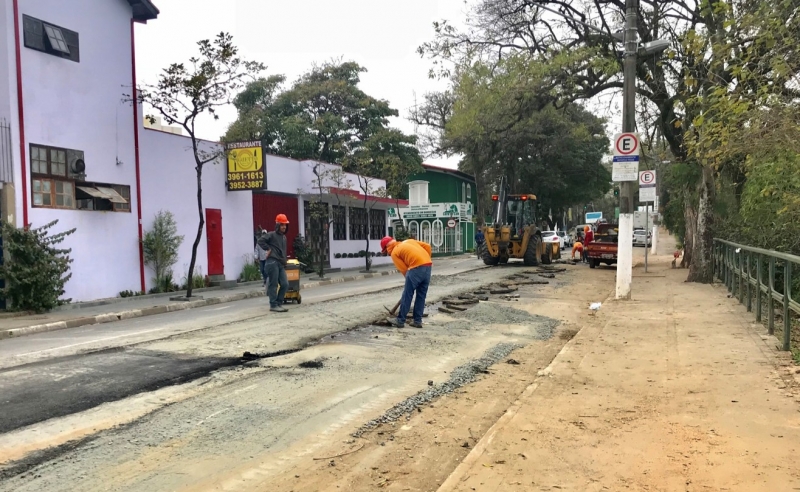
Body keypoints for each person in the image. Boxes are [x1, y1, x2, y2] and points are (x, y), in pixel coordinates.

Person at [381, 236, 432, 329]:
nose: (388, 253)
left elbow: (404, 269)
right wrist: (425, 261)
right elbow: (427, 246)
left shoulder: (394, 252)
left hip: (415, 268)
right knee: (421, 295)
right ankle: (417, 321)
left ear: (387, 248)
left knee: (407, 294)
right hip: (428, 266)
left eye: (386, 252)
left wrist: (411, 281)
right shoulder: (409, 241)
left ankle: (400, 321)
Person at [258, 214, 290, 313]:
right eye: (282, 225)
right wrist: (268, 249)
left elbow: (283, 251)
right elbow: (260, 241)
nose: (284, 227)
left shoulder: (284, 238)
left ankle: (279, 303)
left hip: (280, 263)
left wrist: (284, 262)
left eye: (285, 225)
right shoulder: (271, 235)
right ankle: (273, 304)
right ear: (277, 225)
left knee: (285, 284)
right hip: (272, 262)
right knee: (274, 284)